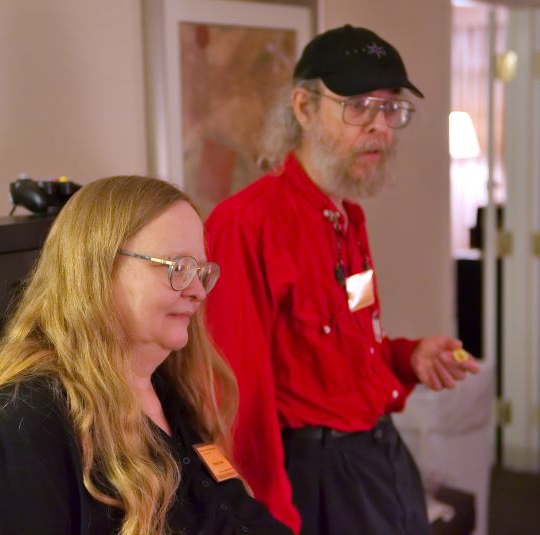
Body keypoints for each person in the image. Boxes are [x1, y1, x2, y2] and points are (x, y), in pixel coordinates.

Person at [204, 25, 481, 535]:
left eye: (390, 108)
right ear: (304, 108)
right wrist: (269, 518)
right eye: (358, 106)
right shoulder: (245, 224)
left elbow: (347, 346)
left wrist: (408, 358)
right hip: (315, 478)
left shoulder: (347, 218)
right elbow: (234, 397)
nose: (381, 127)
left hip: (381, 458)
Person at [0, 175, 292, 535]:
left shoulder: (171, 393)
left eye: (201, 271)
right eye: (178, 268)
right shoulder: (19, 430)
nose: (198, 291)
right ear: (97, 270)